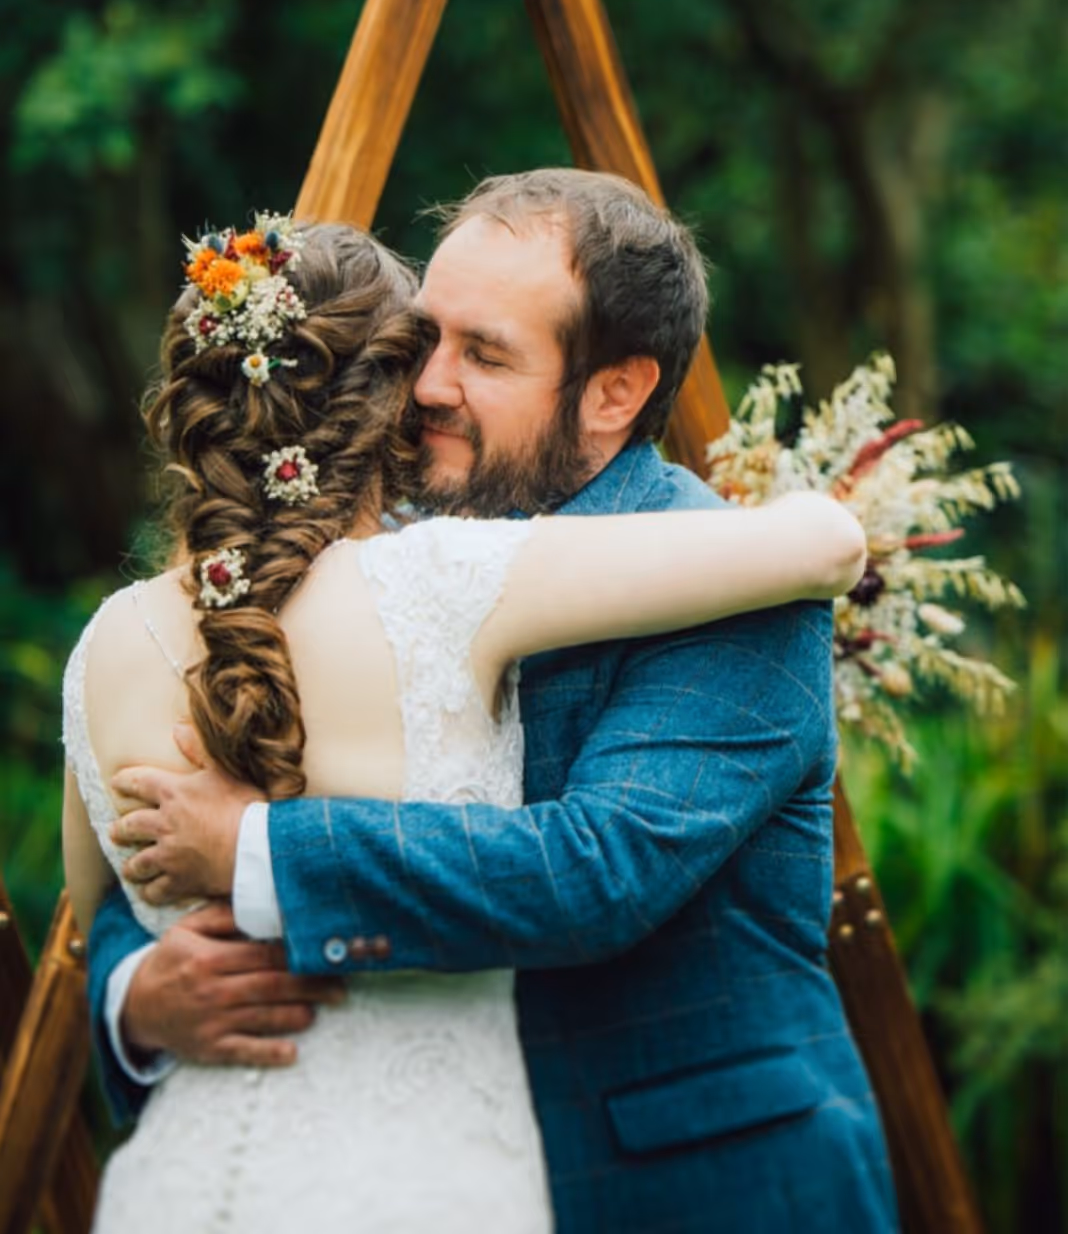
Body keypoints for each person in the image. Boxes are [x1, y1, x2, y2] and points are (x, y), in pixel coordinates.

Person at [77, 172, 899, 1233]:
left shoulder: (735, 586)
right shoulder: (375, 548)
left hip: (690, 1182)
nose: (425, 385)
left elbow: (600, 870)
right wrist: (137, 994)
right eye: (427, 339)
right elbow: (147, 819)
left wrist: (256, 851)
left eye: (487, 353)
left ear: (614, 390)